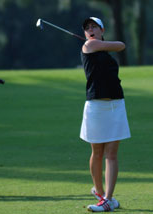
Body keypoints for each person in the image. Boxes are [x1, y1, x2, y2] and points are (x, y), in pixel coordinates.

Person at [80, 17, 131, 212]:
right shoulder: (89, 45)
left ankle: (108, 199)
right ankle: (101, 194)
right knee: (97, 152)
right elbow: (118, 45)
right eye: (87, 28)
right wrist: (99, 43)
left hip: (116, 105)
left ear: (102, 30)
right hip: (96, 106)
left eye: (94, 26)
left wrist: (102, 44)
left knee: (112, 154)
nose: (90, 30)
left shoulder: (103, 48)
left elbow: (121, 45)